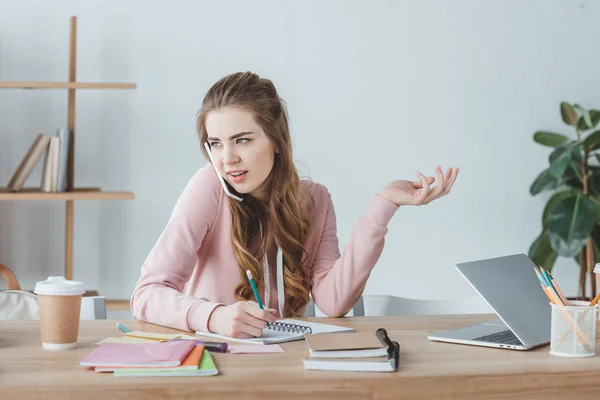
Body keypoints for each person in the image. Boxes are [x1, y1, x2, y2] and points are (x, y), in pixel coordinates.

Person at [131, 71, 459, 339]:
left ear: (276, 140)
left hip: (288, 366)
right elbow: (146, 294)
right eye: (216, 144)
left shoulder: (314, 199)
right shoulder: (208, 187)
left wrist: (383, 206)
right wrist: (213, 316)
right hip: (216, 362)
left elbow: (332, 302)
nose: (227, 159)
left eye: (242, 140)